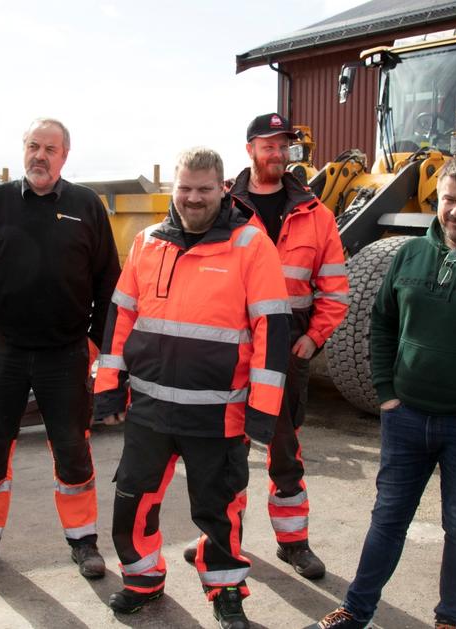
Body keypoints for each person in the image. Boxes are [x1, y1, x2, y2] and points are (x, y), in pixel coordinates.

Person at [309, 155, 456, 629]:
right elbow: (380, 323)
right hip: (406, 418)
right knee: (387, 521)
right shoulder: (410, 254)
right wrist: (387, 394)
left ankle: (449, 621)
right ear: (437, 198)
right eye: (449, 200)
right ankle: (356, 611)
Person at [94, 147, 291, 629]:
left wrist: (263, 412)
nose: (192, 198)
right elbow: (121, 318)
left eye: (204, 189)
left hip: (218, 415)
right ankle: (142, 580)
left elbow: (272, 330)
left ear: (222, 189)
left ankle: (225, 590)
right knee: (133, 500)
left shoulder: (251, 245)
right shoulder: (147, 242)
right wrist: (108, 388)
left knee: (219, 511)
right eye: (184, 188)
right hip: (149, 411)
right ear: (173, 189)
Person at [0, 118, 120, 581]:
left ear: (65, 156)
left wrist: (94, 341)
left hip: (65, 353)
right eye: (33, 146)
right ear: (23, 150)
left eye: (50, 148)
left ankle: (83, 542)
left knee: (73, 450)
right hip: (2, 352)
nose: (40, 155)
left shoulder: (86, 206)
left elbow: (108, 281)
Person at [182, 112, 349, 580]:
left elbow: (335, 289)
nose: (277, 153)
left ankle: (294, 544)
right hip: (228, 343)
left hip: (287, 344)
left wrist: (314, 338)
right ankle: (219, 542)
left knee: (284, 450)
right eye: (268, 145)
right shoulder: (222, 206)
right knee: (220, 451)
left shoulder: (317, 214)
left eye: (283, 146)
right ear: (250, 149)